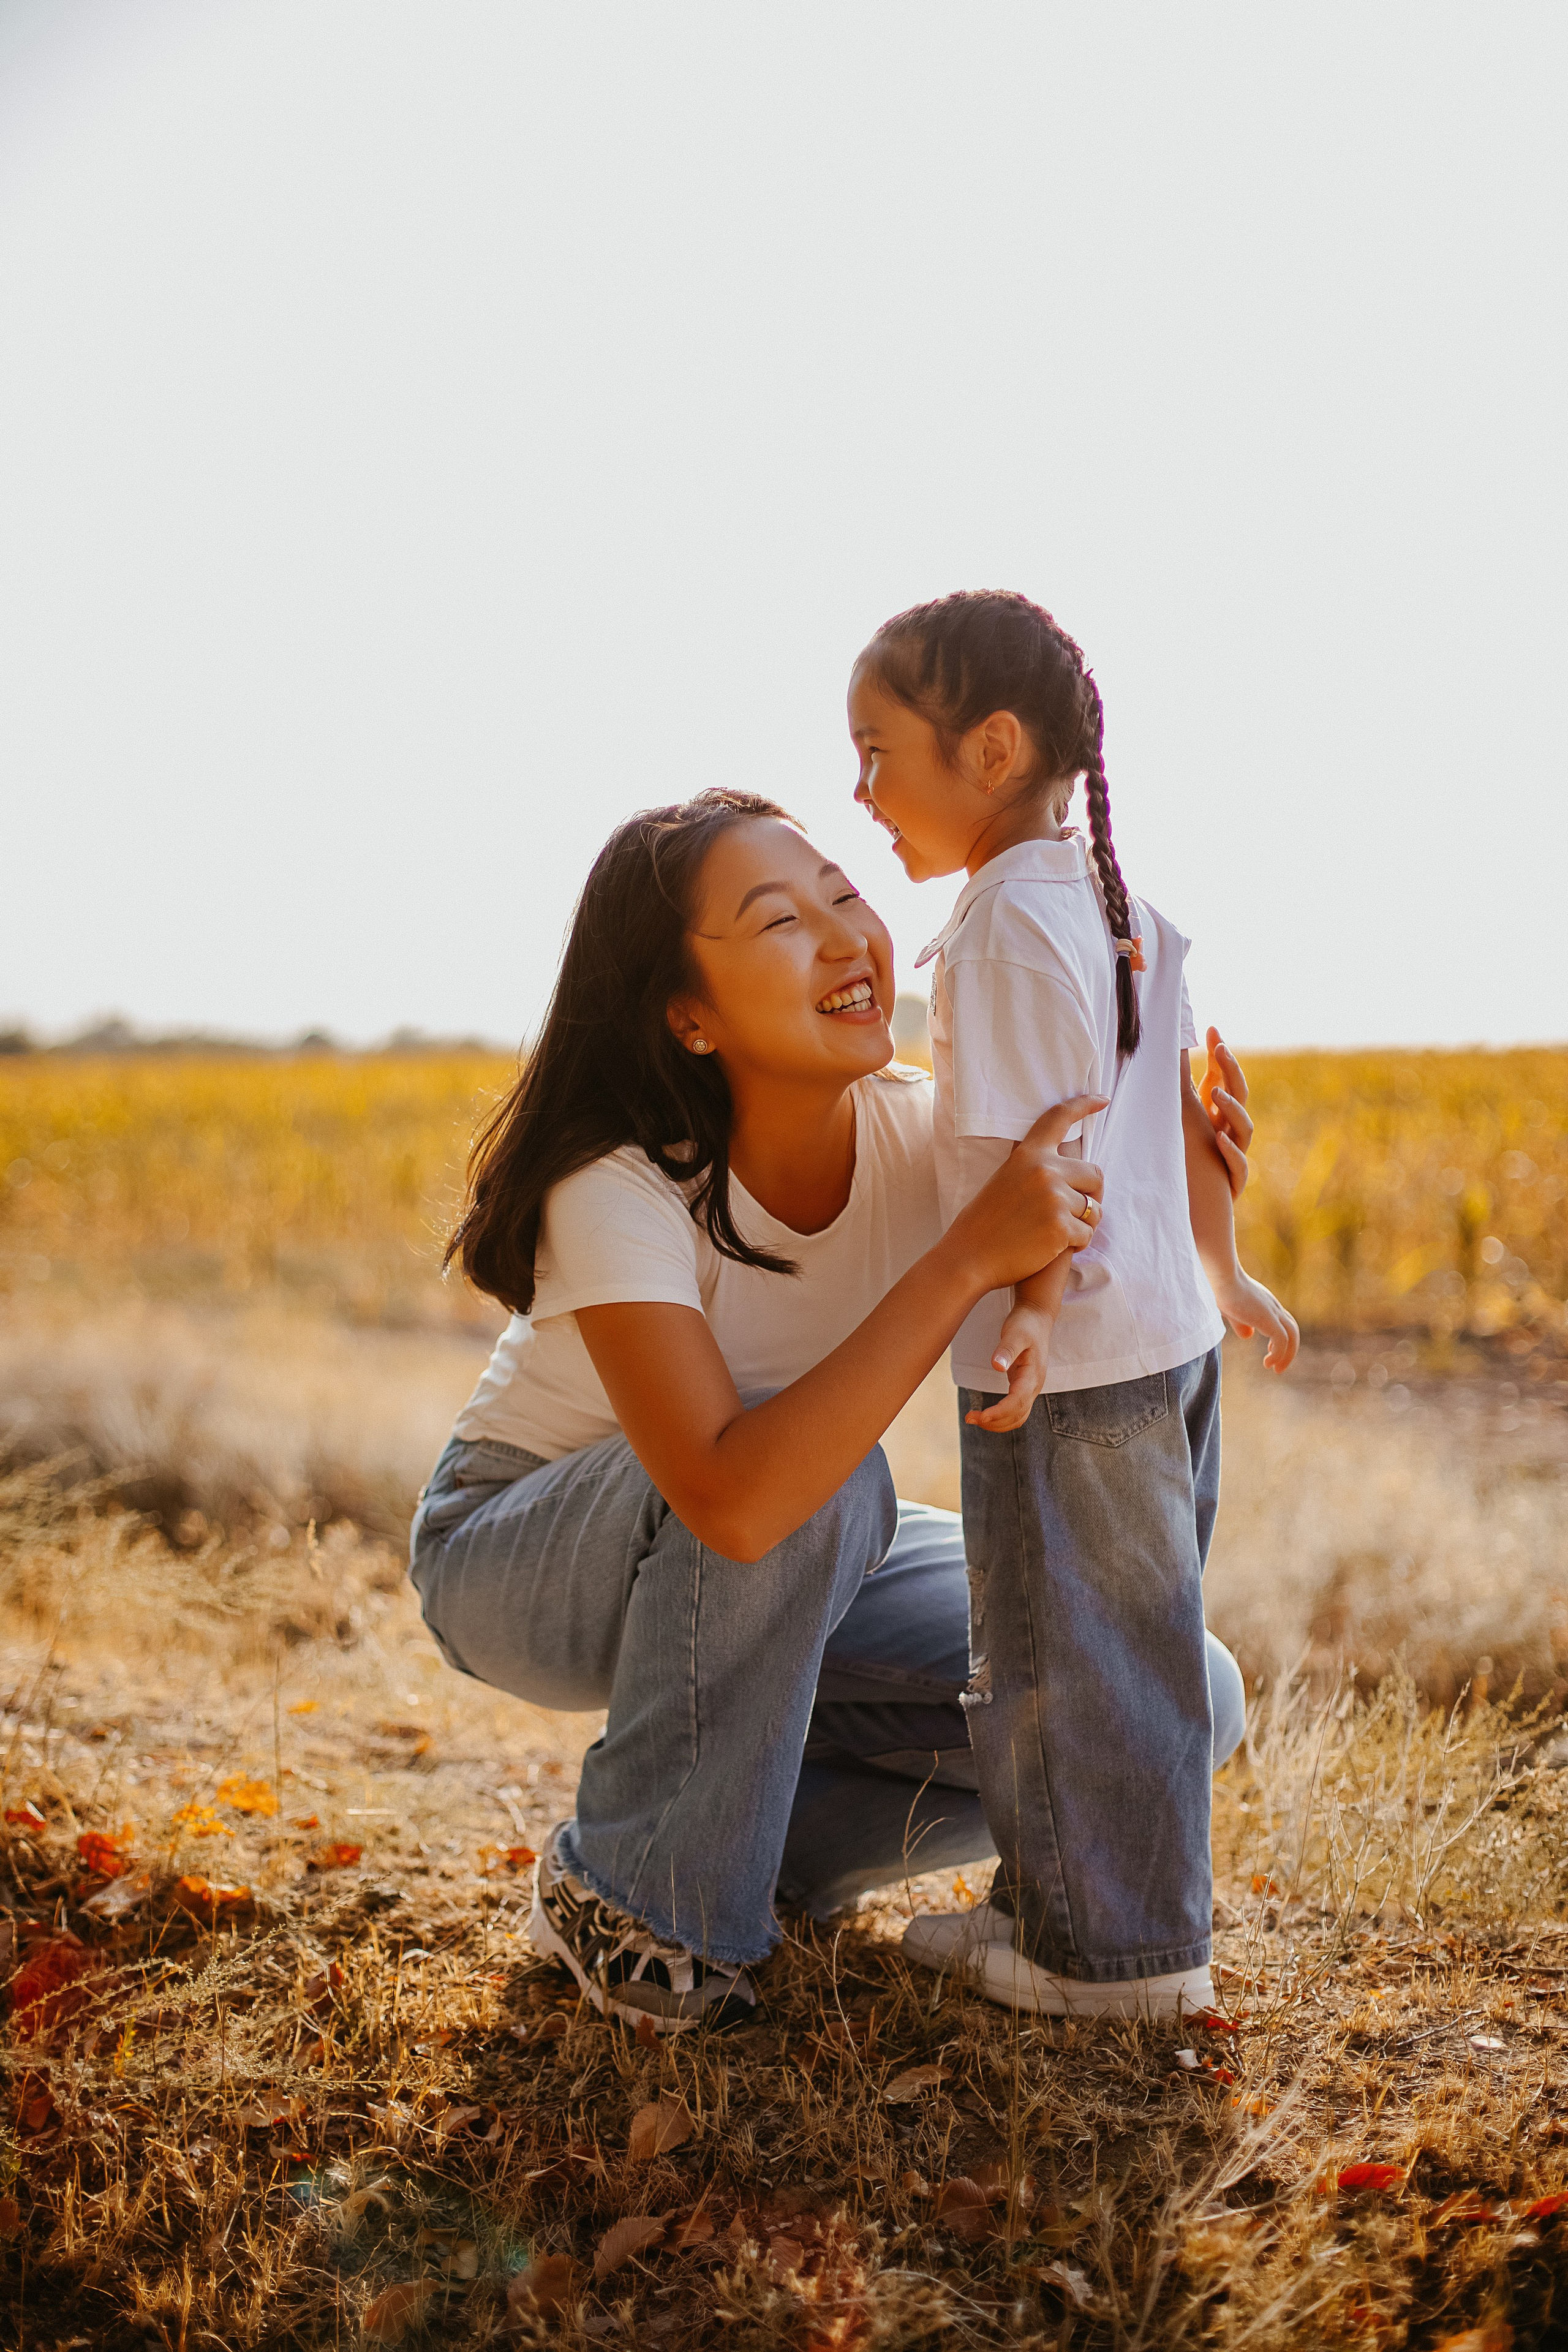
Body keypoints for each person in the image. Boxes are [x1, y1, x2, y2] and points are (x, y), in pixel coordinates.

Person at [409, 790, 1254, 2036]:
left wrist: (1188, 1175)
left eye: (841, 897)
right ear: (684, 1016)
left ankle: (755, 1855)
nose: (843, 936)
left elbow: (1094, 1219)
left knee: (1167, 1693)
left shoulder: (925, 1132)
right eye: (777, 921)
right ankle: (643, 1909)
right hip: (523, 1553)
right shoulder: (619, 1185)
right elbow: (730, 1495)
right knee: (811, 1489)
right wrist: (961, 1259)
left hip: (795, 1543)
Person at [848, 589, 1298, 2020]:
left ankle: (1108, 1960)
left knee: (1056, 1659)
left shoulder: (993, 934)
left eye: (874, 751)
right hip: (1158, 1344)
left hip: (1071, 1360)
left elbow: (1047, 1160)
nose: (857, 791)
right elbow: (1174, 1119)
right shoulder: (1120, 909)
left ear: (987, 749)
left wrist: (1029, 1312)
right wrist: (1221, 1270)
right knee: (1126, 1650)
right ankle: (1068, 1917)